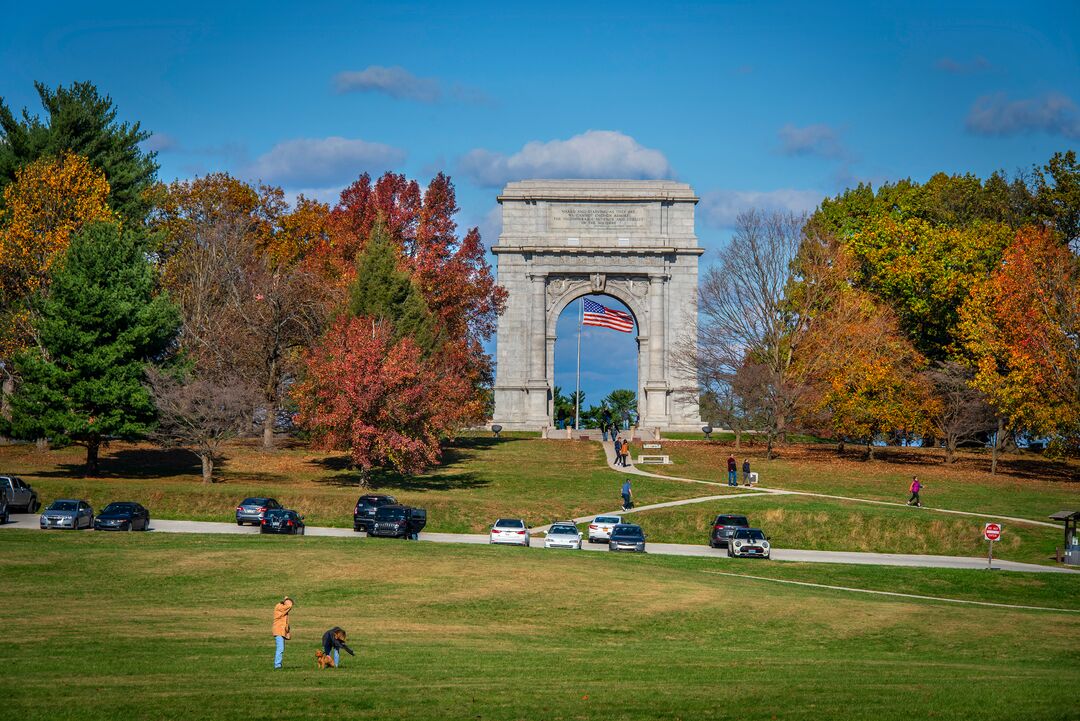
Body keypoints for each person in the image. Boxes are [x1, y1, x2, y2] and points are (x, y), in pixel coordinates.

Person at [272, 595, 294, 669]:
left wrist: (287, 632)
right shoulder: (279, 607)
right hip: (278, 631)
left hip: (281, 631)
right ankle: (277, 665)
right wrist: (287, 600)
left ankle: (278, 664)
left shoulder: (283, 609)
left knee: (281, 648)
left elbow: (285, 623)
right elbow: (289, 606)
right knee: (280, 648)